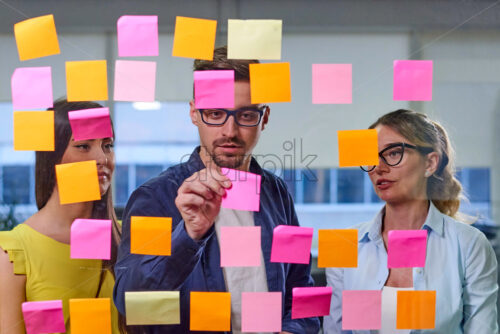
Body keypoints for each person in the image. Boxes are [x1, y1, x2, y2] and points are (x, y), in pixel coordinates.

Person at [113, 46, 320, 333]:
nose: (230, 131)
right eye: (214, 113)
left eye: (246, 115)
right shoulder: (156, 197)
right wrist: (189, 234)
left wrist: (294, 330)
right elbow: (131, 302)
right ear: (194, 113)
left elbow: (302, 286)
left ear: (265, 117)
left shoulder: (277, 194)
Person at [323, 109, 498, 333]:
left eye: (394, 153)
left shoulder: (469, 244)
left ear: (430, 163)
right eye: (370, 157)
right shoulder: (343, 244)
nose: (379, 167)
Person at [0, 100, 122, 334]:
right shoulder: (14, 253)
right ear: (51, 157)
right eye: (84, 146)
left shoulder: (126, 237)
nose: (102, 158)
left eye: (108, 145)